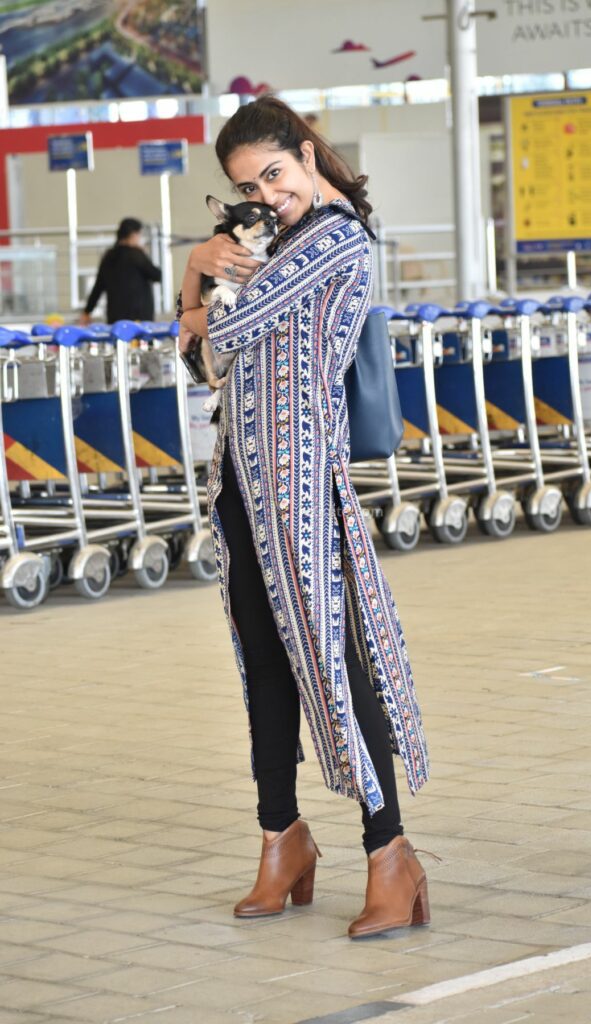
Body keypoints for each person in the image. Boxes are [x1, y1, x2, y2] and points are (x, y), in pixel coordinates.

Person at [177, 96, 430, 939]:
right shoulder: (267, 246)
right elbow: (203, 360)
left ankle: (389, 852)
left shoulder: (331, 239)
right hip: (239, 485)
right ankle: (281, 837)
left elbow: (230, 323)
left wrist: (194, 275)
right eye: (247, 185)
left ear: (307, 157)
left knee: (334, 660)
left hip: (299, 482)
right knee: (264, 663)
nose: (267, 194)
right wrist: (201, 296)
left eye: (274, 174)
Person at [80, 217, 161, 325]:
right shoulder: (136, 255)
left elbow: (98, 287)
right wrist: (144, 254)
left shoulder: (109, 257)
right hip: (139, 320)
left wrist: (87, 312)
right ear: (133, 235)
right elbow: (156, 275)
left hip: (116, 320)